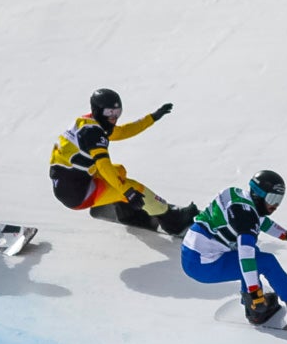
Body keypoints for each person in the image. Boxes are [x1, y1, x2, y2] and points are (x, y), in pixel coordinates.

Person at [181, 170, 287, 332]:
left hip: (193, 253)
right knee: (266, 262)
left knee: (257, 256)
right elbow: (246, 257)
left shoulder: (237, 196)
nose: (275, 206)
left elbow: (260, 220)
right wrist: (255, 294)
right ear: (259, 195)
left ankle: (255, 311)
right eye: (272, 199)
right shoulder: (246, 218)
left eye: (279, 200)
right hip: (203, 264)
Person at [49, 88, 198, 235]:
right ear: (97, 110)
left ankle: (127, 212)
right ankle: (173, 221)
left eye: (117, 112)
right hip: (80, 194)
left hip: (71, 184)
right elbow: (103, 165)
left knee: (119, 170)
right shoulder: (93, 133)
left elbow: (122, 131)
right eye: (109, 112)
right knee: (135, 189)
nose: (114, 117)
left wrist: (152, 117)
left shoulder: (89, 122)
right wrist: (127, 192)